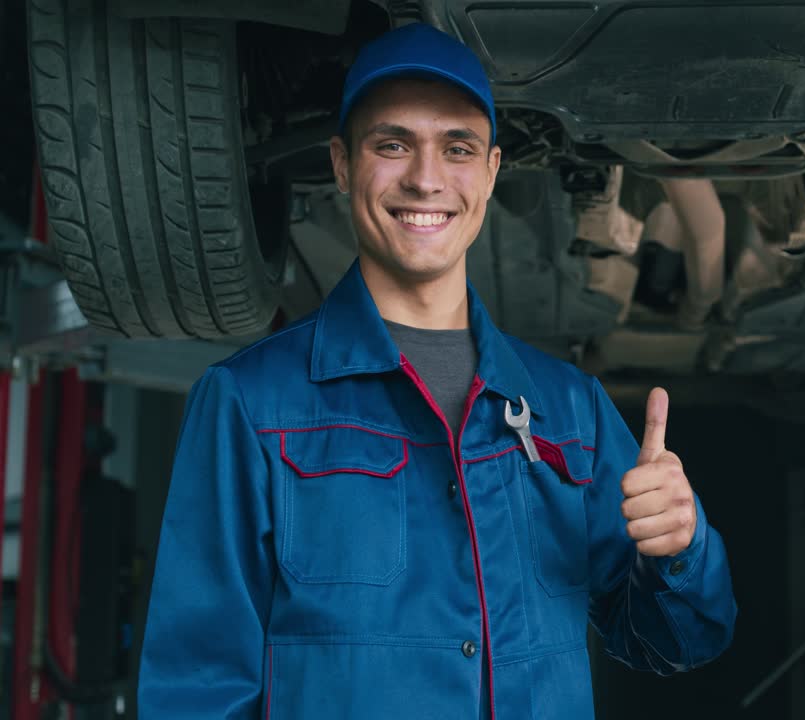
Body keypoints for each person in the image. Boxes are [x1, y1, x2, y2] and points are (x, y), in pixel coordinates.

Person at [136, 22, 736, 720]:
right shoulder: (250, 405)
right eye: (392, 145)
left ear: (489, 172)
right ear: (340, 163)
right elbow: (195, 689)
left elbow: (676, 642)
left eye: (457, 148)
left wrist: (680, 550)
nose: (426, 179)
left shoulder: (571, 413)